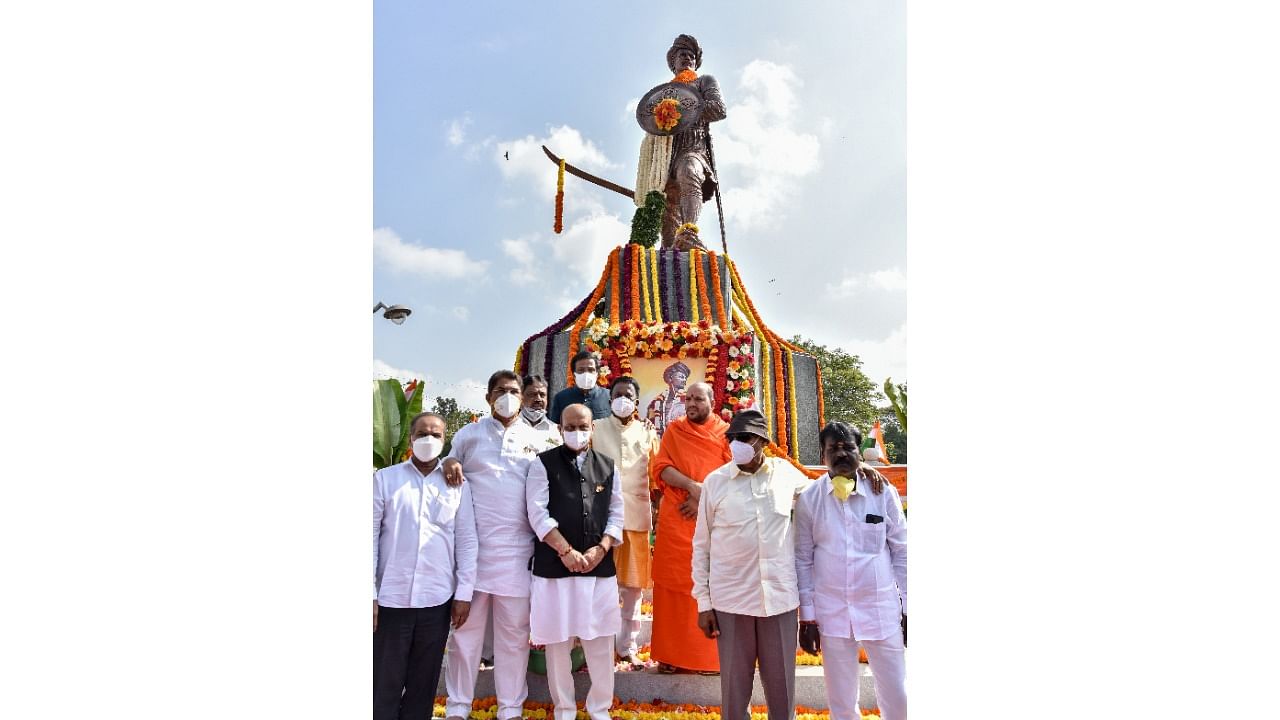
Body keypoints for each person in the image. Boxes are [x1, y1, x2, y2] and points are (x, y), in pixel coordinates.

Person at [440, 370, 561, 720]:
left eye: (513, 391)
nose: (507, 396)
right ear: (488, 396)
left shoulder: (543, 439)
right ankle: (458, 707)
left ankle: (510, 708)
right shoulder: (470, 434)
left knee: (513, 637)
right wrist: (449, 461)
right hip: (473, 554)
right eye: (500, 391)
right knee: (465, 639)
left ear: (522, 397)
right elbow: (449, 462)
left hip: (518, 553)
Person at [690, 409, 811, 720]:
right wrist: (704, 603)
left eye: (744, 438)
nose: (736, 444)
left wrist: (860, 474)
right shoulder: (715, 483)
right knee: (734, 693)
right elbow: (701, 545)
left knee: (782, 692)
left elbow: (821, 496)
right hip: (731, 603)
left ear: (763, 442)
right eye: (732, 438)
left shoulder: (785, 474)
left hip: (779, 601)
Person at [795, 422, 908, 720]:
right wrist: (807, 617)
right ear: (823, 456)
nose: (842, 453)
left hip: (880, 611)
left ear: (859, 452)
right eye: (834, 448)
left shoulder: (882, 492)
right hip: (833, 614)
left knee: (899, 695)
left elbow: (903, 552)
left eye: (848, 447)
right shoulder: (810, 499)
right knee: (842, 702)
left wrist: (911, 607)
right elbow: (803, 559)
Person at [373, 412, 477, 720]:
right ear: (410, 438)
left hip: (437, 601)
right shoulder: (385, 479)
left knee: (423, 686)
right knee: (383, 686)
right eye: (422, 434)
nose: (428, 440)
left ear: (444, 441)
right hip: (391, 601)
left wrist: (464, 594)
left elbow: (467, 541)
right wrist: (370, 594)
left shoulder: (457, 484)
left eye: (435, 435)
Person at [526, 403, 626, 720]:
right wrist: (565, 551)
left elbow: (616, 513)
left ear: (593, 428)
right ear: (560, 429)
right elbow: (537, 513)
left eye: (582, 426)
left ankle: (599, 709)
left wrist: (602, 548)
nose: (576, 431)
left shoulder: (608, 466)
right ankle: (565, 709)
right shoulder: (542, 464)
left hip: (598, 569)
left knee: (599, 640)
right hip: (555, 569)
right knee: (558, 643)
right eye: (570, 426)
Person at [647, 381, 729, 673]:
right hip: (675, 518)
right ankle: (669, 655)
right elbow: (661, 468)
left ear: (711, 401)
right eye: (688, 399)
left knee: (707, 586)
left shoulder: (724, 434)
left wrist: (702, 499)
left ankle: (707, 659)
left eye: (698, 399)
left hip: (711, 519)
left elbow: (731, 476)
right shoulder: (675, 429)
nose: (692, 403)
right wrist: (692, 487)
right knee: (671, 588)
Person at [590, 376, 660, 664]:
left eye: (628, 395)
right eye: (617, 395)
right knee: (599, 587)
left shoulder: (648, 433)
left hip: (635, 518)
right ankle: (597, 645)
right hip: (599, 520)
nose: (622, 399)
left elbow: (658, 476)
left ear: (636, 401)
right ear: (609, 400)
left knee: (632, 590)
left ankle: (627, 646)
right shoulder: (595, 429)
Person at [660, 34, 726, 250]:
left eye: (691, 55)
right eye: (682, 55)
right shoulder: (663, 92)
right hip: (665, 154)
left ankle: (689, 230)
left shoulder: (704, 81)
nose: (687, 58)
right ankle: (671, 252)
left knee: (689, 171)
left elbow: (718, 109)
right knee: (666, 212)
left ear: (696, 62)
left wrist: (683, 110)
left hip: (693, 147)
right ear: (674, 62)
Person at [548, 350, 611, 423]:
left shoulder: (608, 396)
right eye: (581, 370)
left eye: (591, 370)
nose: (586, 374)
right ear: (574, 374)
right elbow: (555, 429)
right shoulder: (561, 398)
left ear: (597, 373)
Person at [645, 360, 690, 436]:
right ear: (670, 378)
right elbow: (650, 425)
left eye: (685, 378)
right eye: (681, 377)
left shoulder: (688, 399)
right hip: (661, 442)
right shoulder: (656, 402)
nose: (684, 380)